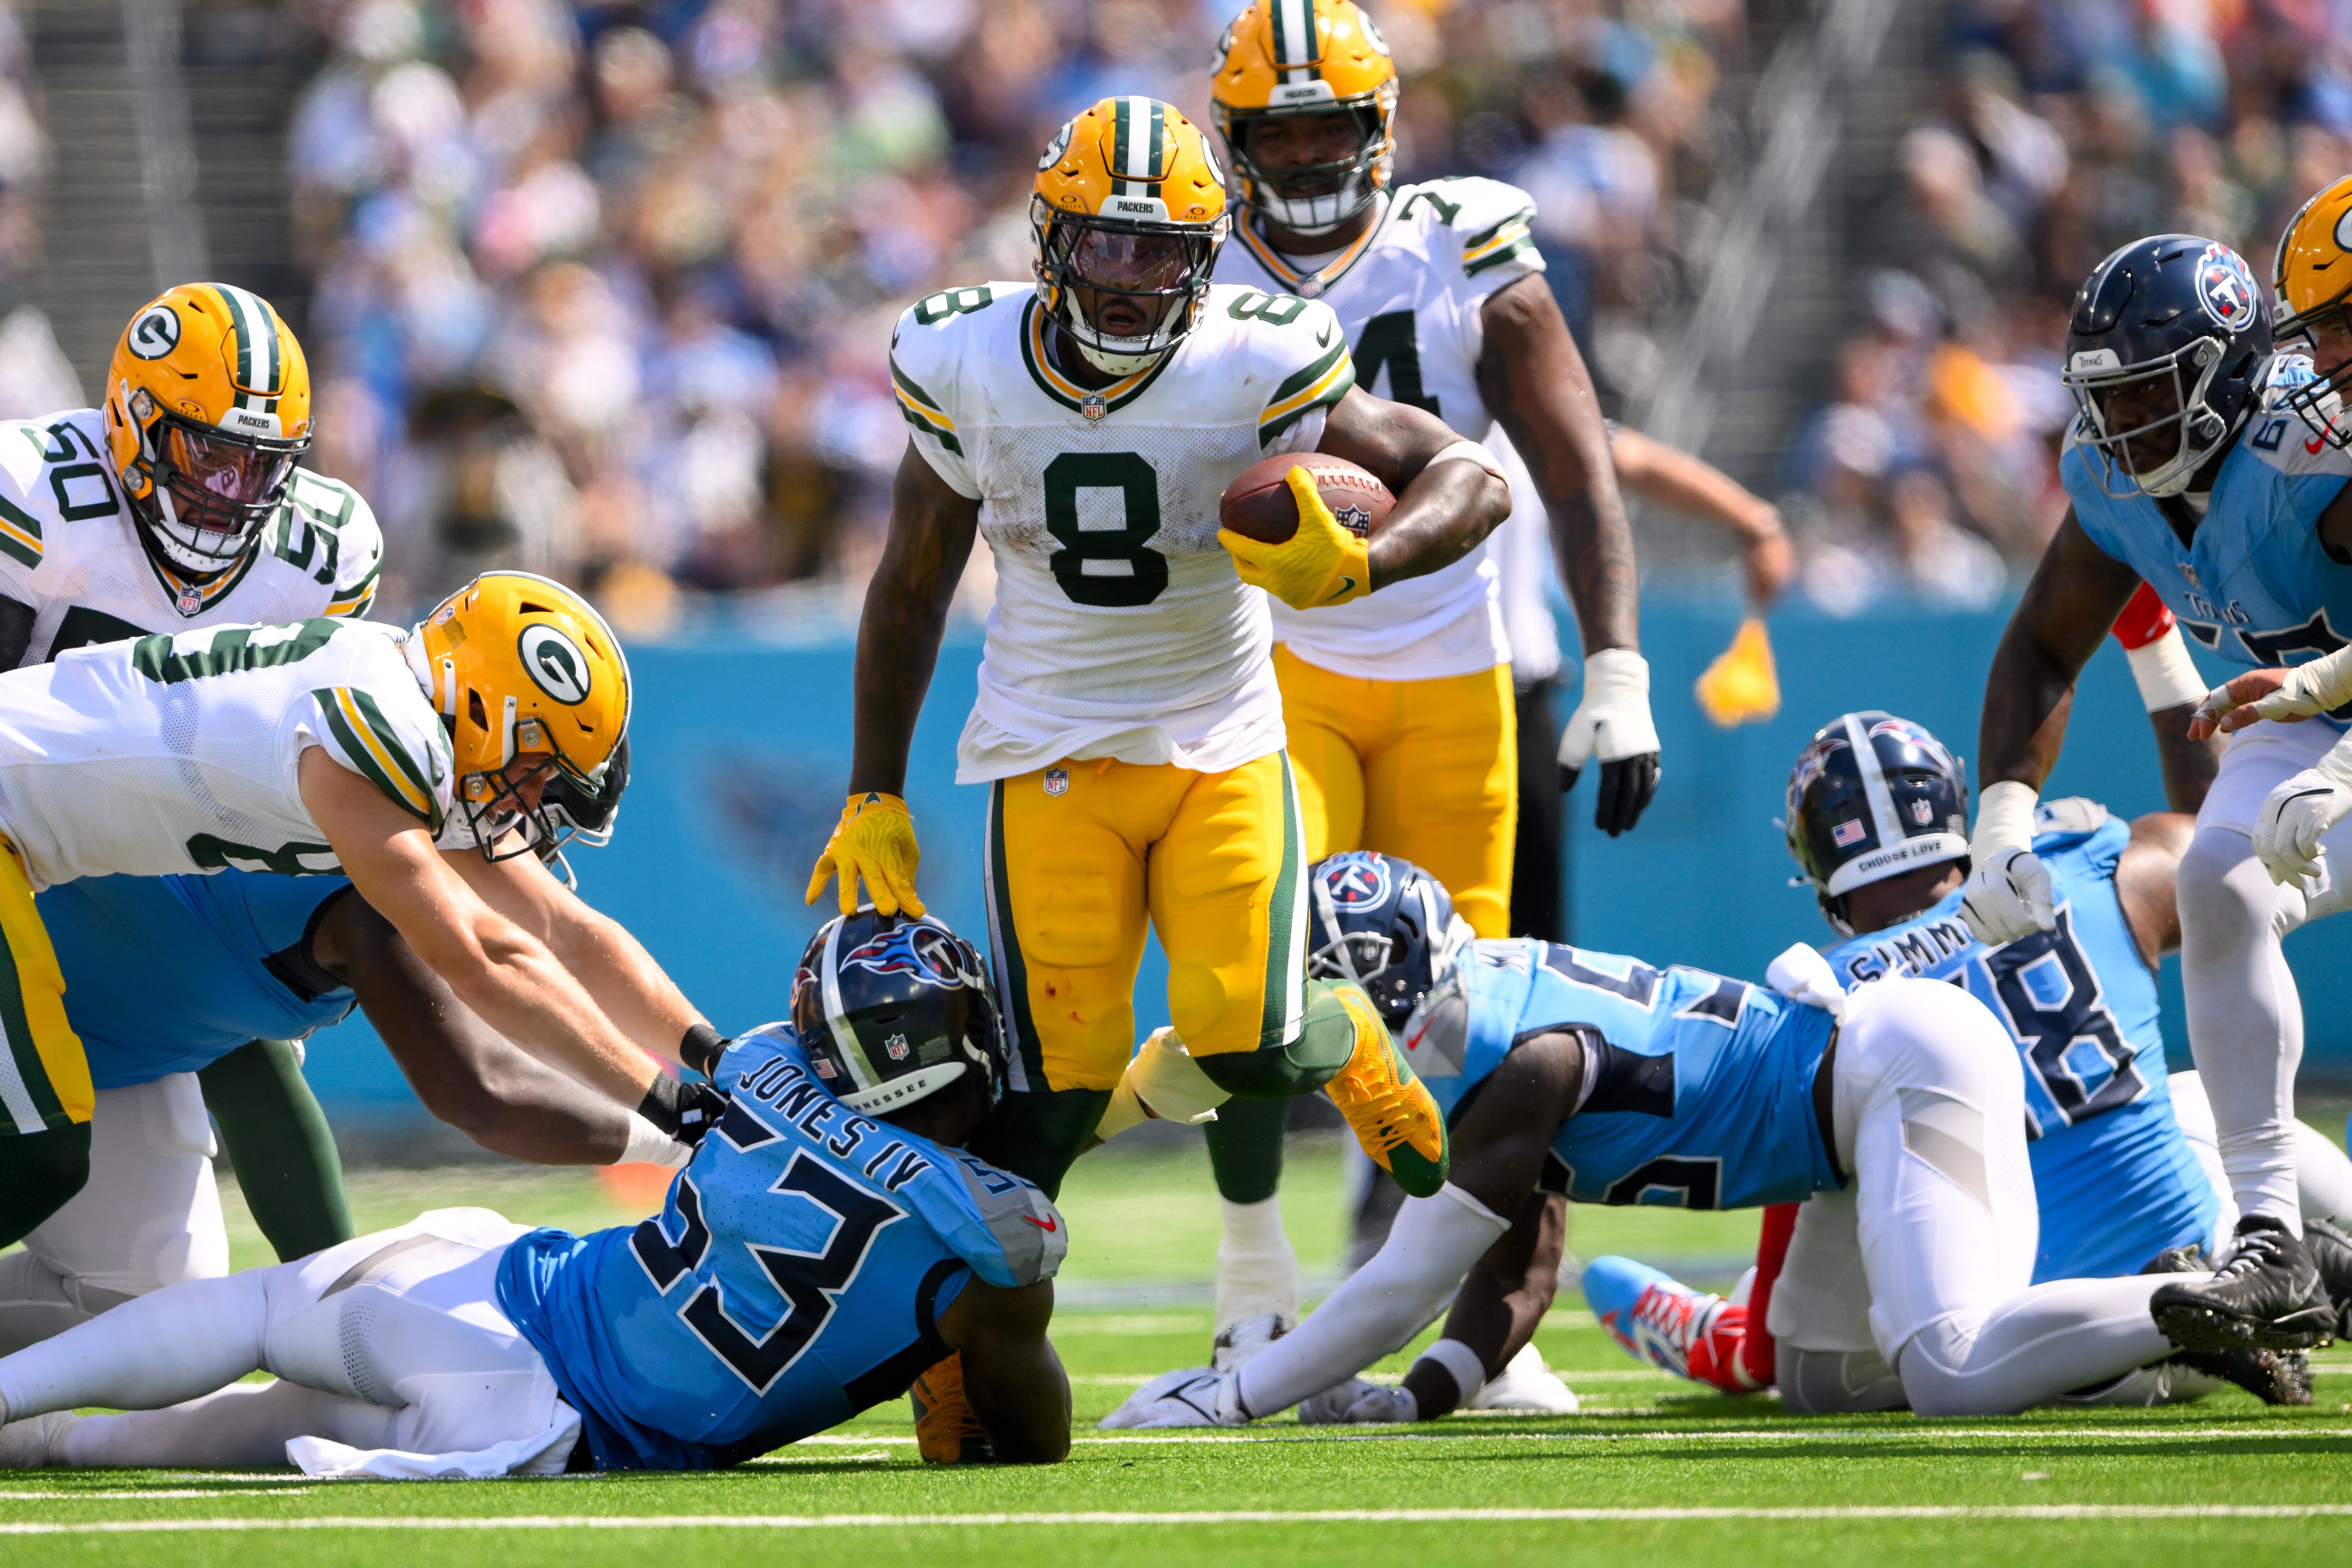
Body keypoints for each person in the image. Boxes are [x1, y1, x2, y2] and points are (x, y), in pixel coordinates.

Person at [813, 93, 1516, 1210]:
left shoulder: (1256, 355)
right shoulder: (965, 357)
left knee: (1253, 1046)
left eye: (1163, 252)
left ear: (1207, 256)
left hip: (1218, 739)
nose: (1132, 279)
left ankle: (1345, 1042)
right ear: (1051, 237)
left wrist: (1365, 565)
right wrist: (874, 789)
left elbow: (1471, 476)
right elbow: (909, 585)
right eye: (1107, 244)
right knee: (1051, 1097)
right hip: (1046, 743)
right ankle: (974, 1315)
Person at [1103, 850, 2329, 1430]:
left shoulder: (1520, 1065)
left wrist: (1232, 1396)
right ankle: (2177, 1330)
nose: (1316, 1048)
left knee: (1950, 1372)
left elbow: (1405, 1281)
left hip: (1897, 1070)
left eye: (1322, 1006)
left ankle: (2218, 1288)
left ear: (1375, 989)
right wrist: (1416, 1400)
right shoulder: (1494, 1033)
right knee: (1824, 1382)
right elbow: (1516, 1273)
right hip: (1848, 1128)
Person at [1195, 0, 1654, 1371]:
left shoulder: (1461, 244)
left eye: (1326, 129)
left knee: (1478, 1013)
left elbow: (1572, 462)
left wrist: (1618, 662)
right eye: (1276, 134)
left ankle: (1485, 1340)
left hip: (1459, 669)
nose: (1301, 158)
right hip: (1280, 671)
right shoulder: (1194, 271)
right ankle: (1251, 1269)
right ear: (1232, 142)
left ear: (1380, 128)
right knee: (1255, 966)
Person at [0, 909, 1070, 1476]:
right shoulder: (993, 1248)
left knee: (261, 1304)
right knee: (162, 1441)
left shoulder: (762, 1065)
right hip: (532, 1427)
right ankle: (48, 1438)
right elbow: (1036, 1443)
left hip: (490, 1299)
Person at [1582, 706, 2352, 1413]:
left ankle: (1717, 1335)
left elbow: (1798, 1213)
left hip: (2055, 1347)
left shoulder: (1828, 990)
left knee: (1818, 1360)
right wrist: (2154, 652)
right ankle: (2307, 1248)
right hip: (2222, 1260)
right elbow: (2224, 835)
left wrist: (1751, 1348)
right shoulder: (2083, 867)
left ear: (1814, 855)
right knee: (2204, 1099)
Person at [0, 569, 726, 1261]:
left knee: (78, 1200)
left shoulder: (401, 694)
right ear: (485, 708)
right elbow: (484, 956)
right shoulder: (380, 727)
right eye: (535, 769)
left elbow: (569, 930)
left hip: (23, 850)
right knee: (40, 1153)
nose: (531, 801)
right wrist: (673, 1107)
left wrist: (719, 1058)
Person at [1963, 232, 2352, 1343]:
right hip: (2302, 712)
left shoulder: (2315, 452)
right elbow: (2043, 643)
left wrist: (2343, 758)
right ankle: (2273, 1241)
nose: (2123, 424)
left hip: (2326, 718)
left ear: (2232, 375)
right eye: (2107, 398)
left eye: (2149, 393)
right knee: (2218, 880)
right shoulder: (2111, 482)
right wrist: (2000, 818)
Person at [0, 746, 698, 1355]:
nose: (531, 855)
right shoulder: (361, 868)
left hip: (91, 1034)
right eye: (527, 804)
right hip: (18, 984)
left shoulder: (360, 817)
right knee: (44, 1163)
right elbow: (482, 1092)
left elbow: (247, 1066)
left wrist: (329, 1296)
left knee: (151, 1297)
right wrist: (686, 1139)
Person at [0, 282, 386, 1263]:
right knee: (45, 1147)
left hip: (146, 854)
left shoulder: (320, 554)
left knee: (149, 1284)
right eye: (208, 452)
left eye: (262, 464)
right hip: (21, 842)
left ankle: (329, 1299)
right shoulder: (37, 495)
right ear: (134, 421)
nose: (230, 488)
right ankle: (333, 1297)